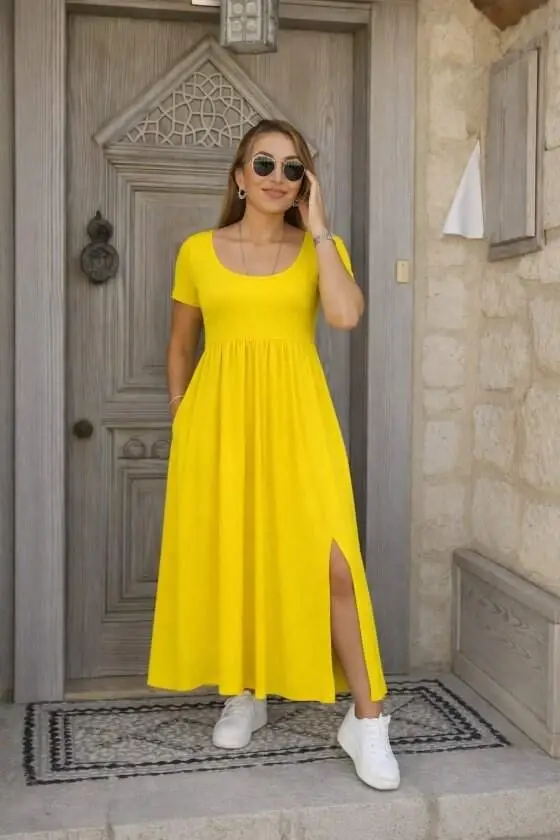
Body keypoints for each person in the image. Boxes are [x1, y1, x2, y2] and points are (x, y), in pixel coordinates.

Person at [148, 118, 400, 791]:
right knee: (239, 553)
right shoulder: (197, 251)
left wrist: (320, 230)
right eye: (263, 164)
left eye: (293, 168)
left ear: (305, 182)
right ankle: (244, 692)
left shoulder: (321, 248)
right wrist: (183, 417)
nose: (276, 178)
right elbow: (180, 345)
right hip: (218, 427)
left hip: (299, 422)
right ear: (239, 176)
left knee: (335, 566)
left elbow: (345, 315)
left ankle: (368, 720)